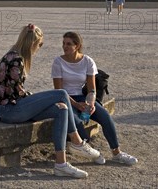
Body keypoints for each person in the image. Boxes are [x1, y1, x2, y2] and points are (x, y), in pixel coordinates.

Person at [0, 24, 90, 178]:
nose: (39, 48)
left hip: (7, 108)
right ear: (33, 44)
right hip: (10, 111)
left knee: (62, 108)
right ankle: (77, 142)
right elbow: (19, 93)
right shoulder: (17, 60)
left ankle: (61, 164)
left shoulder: (11, 55)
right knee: (61, 93)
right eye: (40, 44)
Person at [51, 31, 138, 166]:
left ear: (77, 45)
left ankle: (117, 153)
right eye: (63, 43)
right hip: (65, 99)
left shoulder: (87, 61)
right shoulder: (58, 62)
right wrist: (76, 105)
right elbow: (59, 90)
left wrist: (90, 103)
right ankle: (92, 153)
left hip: (83, 97)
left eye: (68, 44)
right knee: (77, 122)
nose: (64, 46)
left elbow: (92, 89)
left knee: (105, 117)